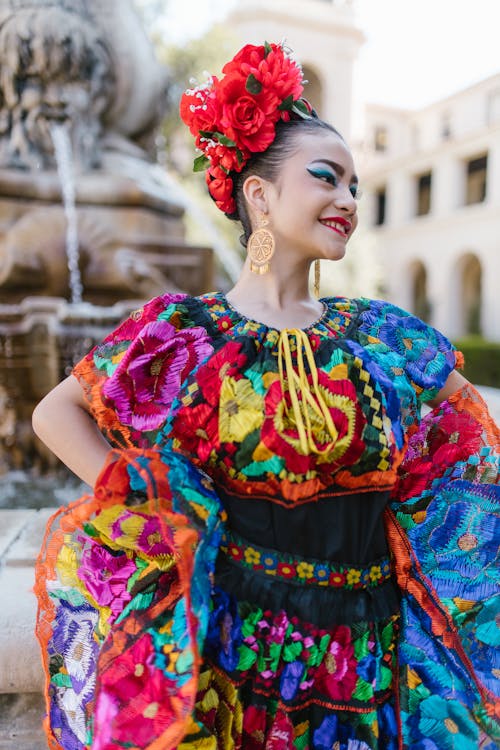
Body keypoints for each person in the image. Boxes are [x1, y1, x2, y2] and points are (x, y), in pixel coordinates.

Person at [32, 42, 499, 750]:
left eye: (353, 187)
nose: (346, 199)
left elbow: (472, 441)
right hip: (228, 646)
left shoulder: (382, 337)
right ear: (259, 193)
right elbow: (53, 411)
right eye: (326, 178)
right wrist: (140, 496)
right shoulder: (184, 331)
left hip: (364, 653)